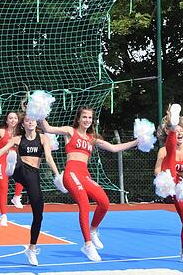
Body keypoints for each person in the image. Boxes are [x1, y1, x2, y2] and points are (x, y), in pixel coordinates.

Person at [41, 106, 139, 262]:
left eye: (90, 118)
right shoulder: (70, 131)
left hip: (85, 175)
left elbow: (114, 148)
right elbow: (47, 128)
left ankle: (93, 230)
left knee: (105, 203)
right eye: (84, 117)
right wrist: (38, 111)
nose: (87, 120)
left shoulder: (92, 139)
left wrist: (137, 141)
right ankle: (87, 245)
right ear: (79, 119)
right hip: (71, 173)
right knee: (84, 204)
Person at [0, 115, 61, 266]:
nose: (30, 122)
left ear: (36, 123)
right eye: (27, 120)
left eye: (32, 120)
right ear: (23, 124)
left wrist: (58, 176)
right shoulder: (17, 139)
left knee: (39, 215)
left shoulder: (43, 138)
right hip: (20, 169)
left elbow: (49, 158)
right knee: (12, 155)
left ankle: (32, 248)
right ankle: (11, 168)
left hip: (33, 176)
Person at [155, 104, 183, 263]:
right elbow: (157, 171)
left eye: (181, 132)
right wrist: (165, 178)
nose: (180, 134)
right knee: (171, 151)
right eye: (176, 132)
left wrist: (180, 176)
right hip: (168, 182)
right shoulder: (163, 150)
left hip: (180, 187)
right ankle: (172, 124)